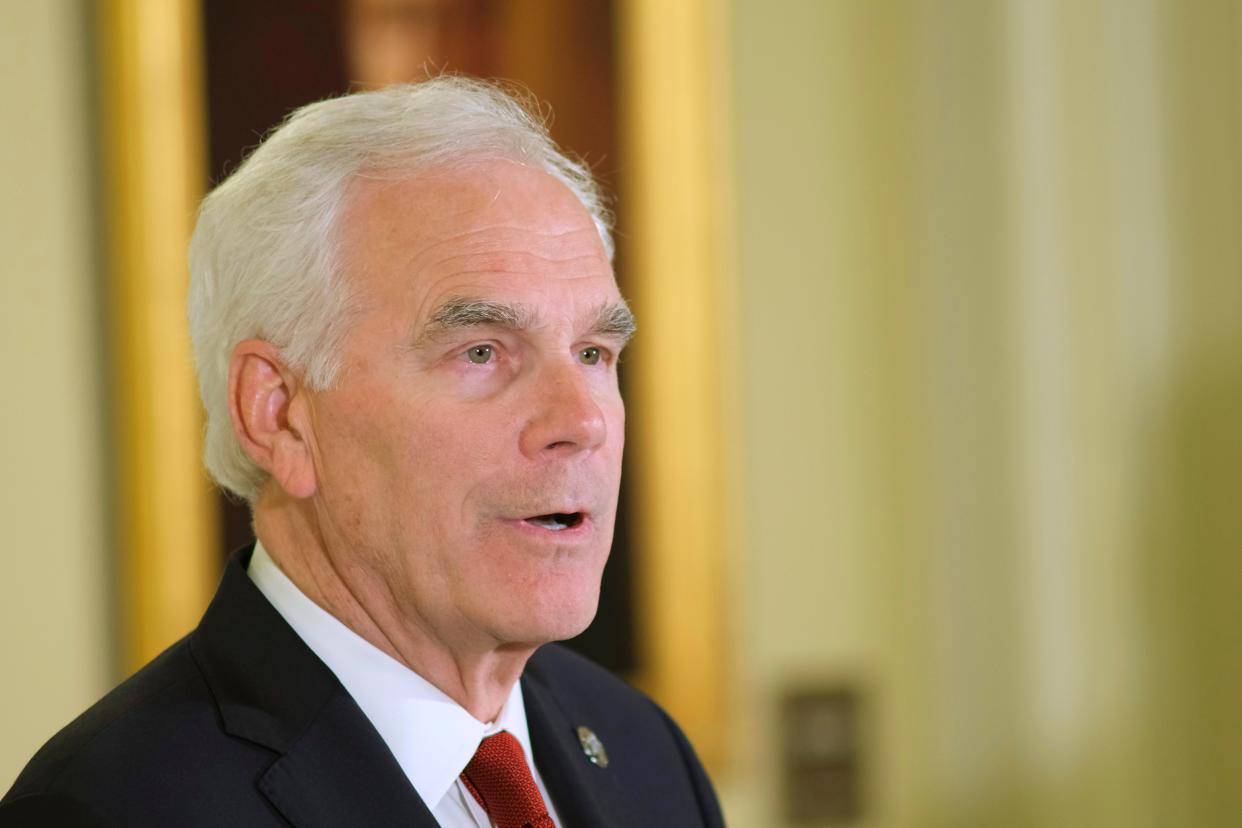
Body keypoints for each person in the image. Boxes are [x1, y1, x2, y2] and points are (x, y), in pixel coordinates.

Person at [1, 77, 724, 827]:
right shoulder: (111, 808)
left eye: (594, 352)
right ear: (279, 414)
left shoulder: (645, 754)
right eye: (481, 351)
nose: (582, 421)